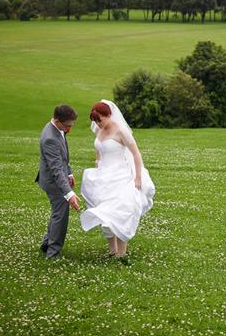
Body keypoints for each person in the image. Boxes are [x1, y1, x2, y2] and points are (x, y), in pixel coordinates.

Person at [80, 100, 155, 261]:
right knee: (104, 213)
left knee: (120, 212)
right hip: (104, 177)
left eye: (100, 120)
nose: (98, 124)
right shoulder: (99, 130)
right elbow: (98, 149)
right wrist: (98, 163)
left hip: (120, 176)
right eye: (95, 121)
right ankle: (112, 250)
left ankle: (121, 254)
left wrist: (137, 178)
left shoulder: (120, 131)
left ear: (109, 115)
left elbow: (136, 153)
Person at [36, 105, 81, 259]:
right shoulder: (49, 138)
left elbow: (62, 156)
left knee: (57, 213)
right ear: (57, 120)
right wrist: (69, 193)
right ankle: (53, 253)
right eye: (67, 125)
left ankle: (46, 243)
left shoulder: (56, 128)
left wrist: (69, 172)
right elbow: (55, 169)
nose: (69, 129)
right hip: (53, 181)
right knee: (60, 215)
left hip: (59, 176)